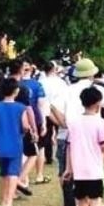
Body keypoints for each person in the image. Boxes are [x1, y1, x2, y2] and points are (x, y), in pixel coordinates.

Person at [60, 58, 104, 206]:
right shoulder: (97, 89)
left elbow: (53, 108)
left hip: (72, 132)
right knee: (95, 170)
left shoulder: (69, 89)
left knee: (68, 173)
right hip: (93, 133)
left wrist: (64, 124)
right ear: (92, 73)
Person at [0, 78, 35, 206]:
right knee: (13, 173)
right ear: (16, 91)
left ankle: (2, 200)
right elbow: (25, 126)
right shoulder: (20, 107)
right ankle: (9, 203)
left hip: (1, 143)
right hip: (15, 143)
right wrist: (27, 131)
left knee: (3, 173)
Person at [7, 59, 42, 195]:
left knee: (11, 157)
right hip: (22, 124)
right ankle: (18, 180)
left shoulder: (2, 85)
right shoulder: (22, 88)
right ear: (21, 70)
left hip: (6, 124)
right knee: (33, 153)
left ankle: (11, 187)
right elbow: (28, 109)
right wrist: (34, 128)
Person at [39, 60, 69, 194]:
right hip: (59, 110)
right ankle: (58, 156)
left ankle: (47, 156)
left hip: (45, 110)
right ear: (54, 69)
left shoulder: (41, 82)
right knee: (59, 132)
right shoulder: (61, 83)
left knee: (46, 132)